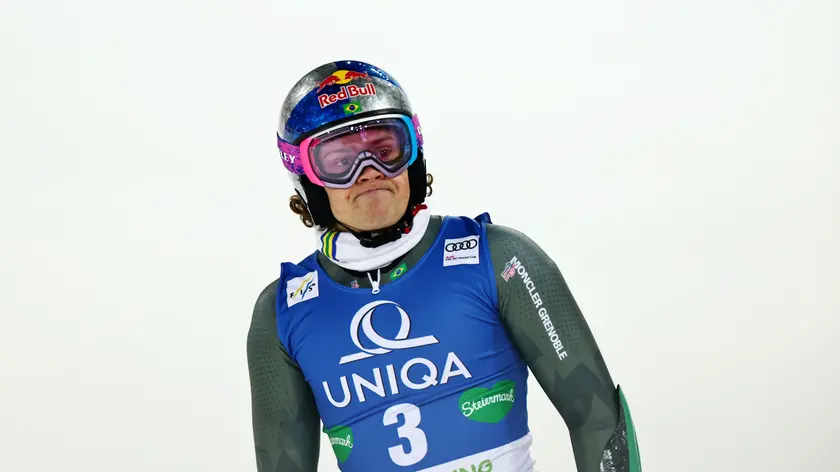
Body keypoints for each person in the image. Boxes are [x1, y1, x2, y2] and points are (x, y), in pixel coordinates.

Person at [246, 60, 642, 472]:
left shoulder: (498, 259)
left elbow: (597, 418)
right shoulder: (281, 312)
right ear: (306, 180)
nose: (369, 172)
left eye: (385, 150)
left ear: (414, 154)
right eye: (340, 161)